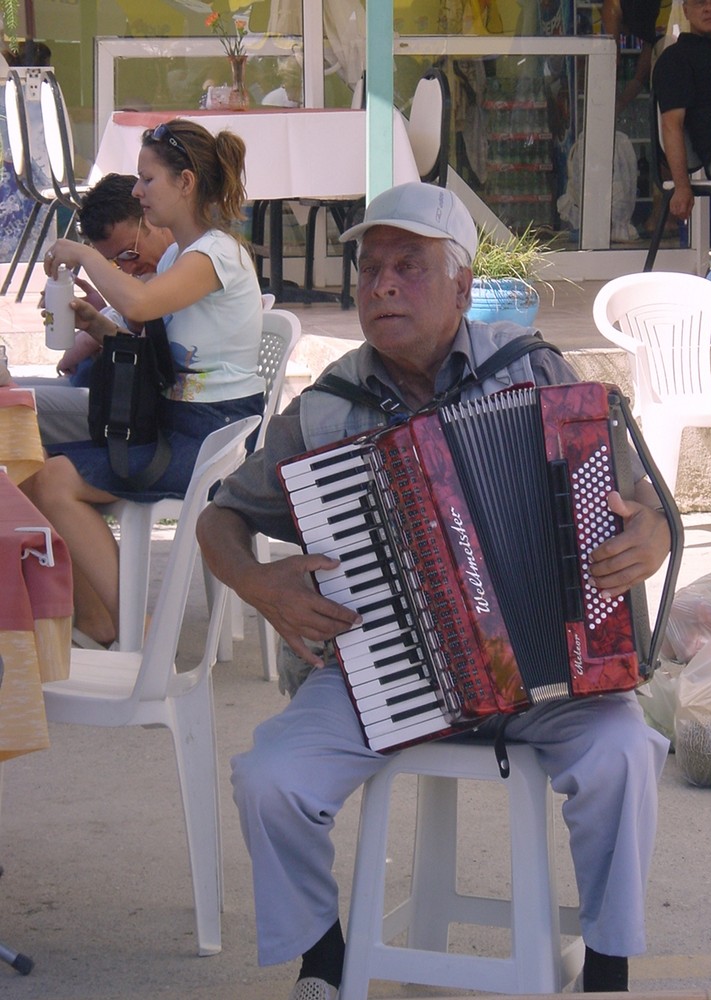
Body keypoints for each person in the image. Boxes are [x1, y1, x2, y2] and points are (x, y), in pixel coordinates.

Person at [196, 182, 672, 1000]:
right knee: (269, 775)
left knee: (625, 751)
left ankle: (607, 969)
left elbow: (643, 506)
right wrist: (258, 580)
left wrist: (650, 541)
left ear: (461, 284)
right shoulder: (325, 410)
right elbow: (220, 520)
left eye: (408, 267)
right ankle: (324, 957)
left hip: (547, 675)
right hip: (381, 675)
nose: (381, 284)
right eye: (370, 268)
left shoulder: (533, 372)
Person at [22, 119, 265, 648]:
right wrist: (95, 324)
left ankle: (136, 627)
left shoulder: (216, 255)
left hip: (212, 438)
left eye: (146, 180)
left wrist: (86, 254)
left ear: (185, 183)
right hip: (177, 425)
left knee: (54, 480)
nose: (137, 191)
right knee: (37, 475)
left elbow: (141, 303)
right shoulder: (182, 254)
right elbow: (150, 342)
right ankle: (104, 620)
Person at [17, 172, 174, 446]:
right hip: (119, 394)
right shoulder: (155, 272)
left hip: (141, 415)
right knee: (10, 393)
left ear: (155, 217)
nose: (128, 268)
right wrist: (97, 316)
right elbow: (142, 352)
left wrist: (85, 257)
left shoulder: (184, 270)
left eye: (129, 253)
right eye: (114, 263)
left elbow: (149, 371)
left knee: (11, 408)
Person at [652, 0, 711, 222]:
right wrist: (681, 185)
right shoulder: (676, 58)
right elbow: (671, 124)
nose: (709, 8)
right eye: (699, 3)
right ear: (686, 10)